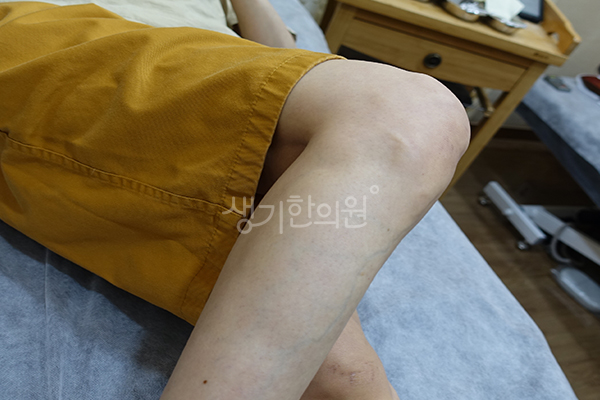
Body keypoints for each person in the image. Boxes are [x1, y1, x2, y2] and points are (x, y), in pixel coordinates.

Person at [0, 0, 470, 399]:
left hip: (224, 71)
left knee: (348, 376)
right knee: (411, 116)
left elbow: (296, 61)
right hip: (65, 37)